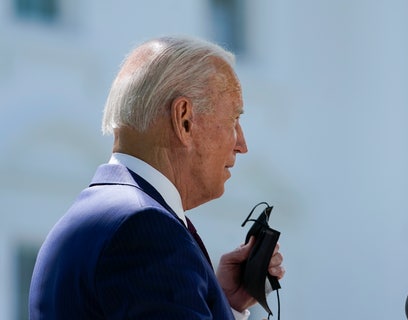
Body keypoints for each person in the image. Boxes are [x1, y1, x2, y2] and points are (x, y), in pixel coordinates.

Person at [28, 36, 285, 319]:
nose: (242, 144)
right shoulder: (147, 230)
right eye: (233, 119)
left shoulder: (83, 220)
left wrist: (222, 303)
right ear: (184, 119)